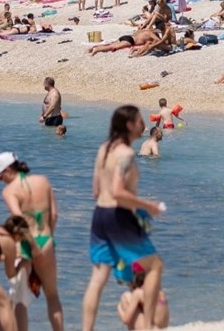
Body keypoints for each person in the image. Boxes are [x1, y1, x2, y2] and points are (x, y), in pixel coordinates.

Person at [81, 106, 165, 331]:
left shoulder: (104, 149)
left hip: (100, 215)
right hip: (119, 216)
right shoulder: (126, 154)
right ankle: (147, 326)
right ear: (129, 125)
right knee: (155, 266)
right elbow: (118, 192)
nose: (143, 126)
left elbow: (96, 191)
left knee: (98, 278)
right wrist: (148, 206)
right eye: (139, 121)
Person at [0, 152, 63, 331]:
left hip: (26, 245)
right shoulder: (43, 181)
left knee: (20, 301)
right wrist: (47, 240)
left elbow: (19, 221)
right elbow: (54, 215)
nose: (1, 181)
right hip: (47, 240)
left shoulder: (9, 191)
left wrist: (33, 246)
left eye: (1, 177)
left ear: (8, 170)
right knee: (52, 296)